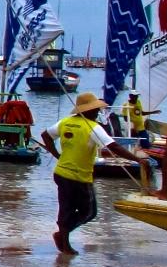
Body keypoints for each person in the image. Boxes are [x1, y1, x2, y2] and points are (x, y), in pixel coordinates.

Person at [40, 92, 149, 254]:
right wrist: (137, 160)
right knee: (89, 212)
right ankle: (62, 235)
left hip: (61, 173)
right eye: (96, 110)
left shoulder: (65, 122)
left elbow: (45, 135)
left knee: (66, 208)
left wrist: (57, 155)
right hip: (79, 176)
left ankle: (63, 238)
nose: (97, 112)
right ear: (88, 111)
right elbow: (114, 147)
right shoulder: (93, 127)